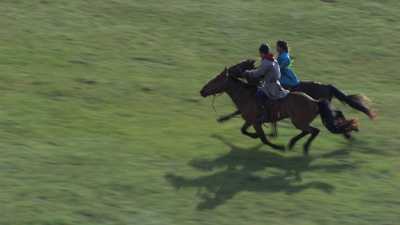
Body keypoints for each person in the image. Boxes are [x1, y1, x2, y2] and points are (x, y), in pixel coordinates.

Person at [242, 43, 289, 120]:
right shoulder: (273, 59)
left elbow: (258, 73)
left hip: (270, 86)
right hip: (275, 84)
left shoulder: (267, 62)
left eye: (260, 53)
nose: (260, 55)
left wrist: (247, 72)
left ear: (262, 53)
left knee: (258, 95)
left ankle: (264, 114)